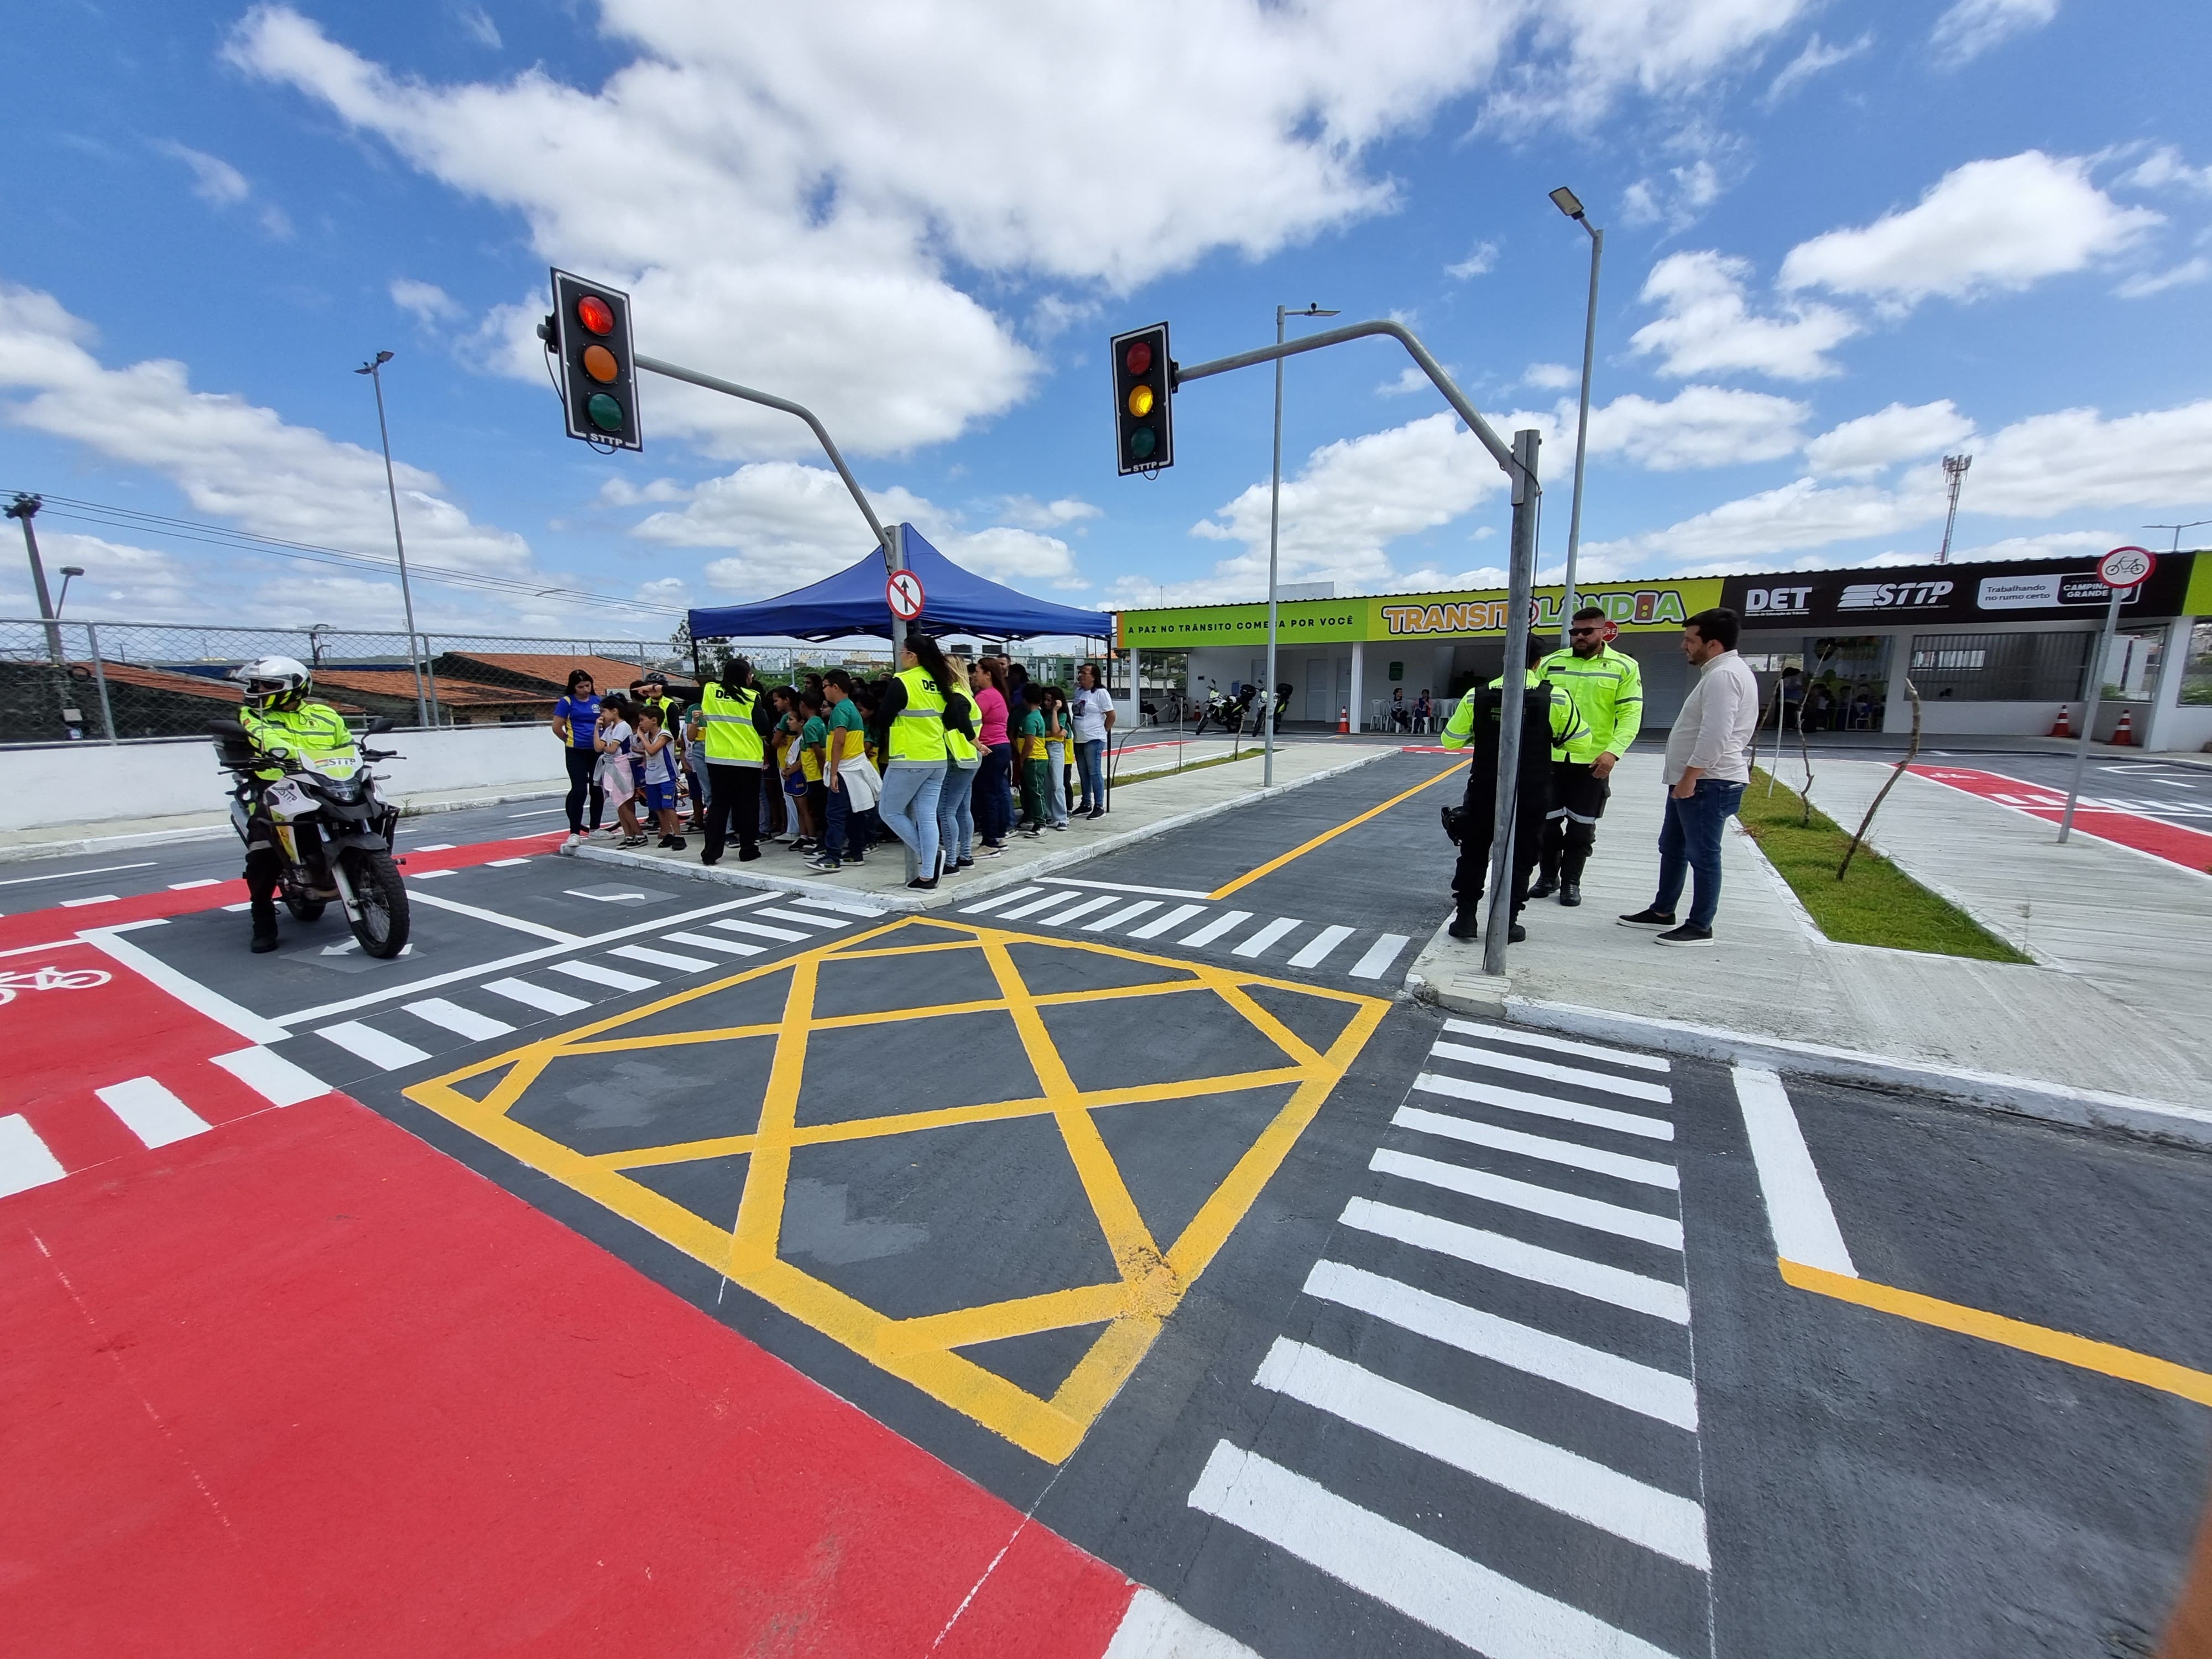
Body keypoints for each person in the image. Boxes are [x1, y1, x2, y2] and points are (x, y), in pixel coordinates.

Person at [1620, 607, 1760, 947]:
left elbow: (1716, 734)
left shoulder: (1724, 676)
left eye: (1689, 639)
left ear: (1712, 644)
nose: (1684, 646)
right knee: (1673, 846)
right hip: (1697, 781)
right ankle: (1663, 910)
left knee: (1703, 855)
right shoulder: (1721, 672)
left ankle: (1700, 926)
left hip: (1707, 782)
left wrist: (1690, 778)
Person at [1439, 638, 1586, 944]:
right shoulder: (1556, 698)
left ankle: (1466, 918)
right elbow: (1581, 742)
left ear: (1505, 661)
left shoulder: (1476, 696)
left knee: (1474, 852)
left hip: (1484, 788)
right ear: (1537, 663)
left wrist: (1479, 734)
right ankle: (1507, 923)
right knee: (1522, 856)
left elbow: (1450, 740)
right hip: (1532, 790)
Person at [228, 655, 361, 953]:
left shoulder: (327, 715)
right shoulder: (254, 714)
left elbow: (347, 744)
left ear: (295, 686)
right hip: (278, 784)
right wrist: (286, 754)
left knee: (377, 810)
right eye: (256, 683)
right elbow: (264, 739)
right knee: (262, 852)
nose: (258, 689)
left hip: (328, 782)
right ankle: (262, 916)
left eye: (267, 684)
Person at [1528, 606, 1645, 909]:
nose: (1579, 637)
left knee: (1581, 828)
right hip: (1550, 760)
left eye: (1586, 631)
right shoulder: (1552, 664)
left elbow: (1631, 714)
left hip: (1593, 763)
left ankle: (1571, 883)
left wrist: (1614, 752)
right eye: (1574, 632)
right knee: (1547, 825)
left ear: (1603, 630)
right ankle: (1547, 877)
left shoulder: (1624, 666)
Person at [870, 635, 954, 888]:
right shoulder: (940, 682)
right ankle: (928, 876)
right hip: (937, 757)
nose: (900, 655)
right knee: (927, 815)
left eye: (902, 651)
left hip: (909, 757)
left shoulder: (903, 681)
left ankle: (930, 857)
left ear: (913, 656)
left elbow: (883, 717)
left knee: (890, 811)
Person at [688, 655, 775, 865]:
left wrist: (662, 690)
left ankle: (711, 853)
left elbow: (688, 692)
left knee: (719, 806)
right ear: (745, 676)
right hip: (746, 760)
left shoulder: (710, 691)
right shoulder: (751, 697)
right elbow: (763, 727)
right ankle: (748, 849)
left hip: (718, 759)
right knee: (748, 805)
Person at [811, 670, 872, 873]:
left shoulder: (840, 711)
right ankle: (855, 853)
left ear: (835, 687)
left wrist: (834, 773)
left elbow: (838, 742)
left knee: (835, 814)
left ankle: (832, 858)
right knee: (854, 812)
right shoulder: (851, 708)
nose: (823, 690)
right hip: (854, 767)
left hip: (845, 768)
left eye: (825, 686)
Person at [935, 656, 983, 873]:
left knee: (946, 811)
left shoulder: (955, 697)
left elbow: (962, 723)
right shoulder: (967, 695)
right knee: (963, 810)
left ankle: (951, 862)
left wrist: (976, 742)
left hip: (958, 758)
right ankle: (966, 857)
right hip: (969, 758)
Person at [551, 668, 603, 852]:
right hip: (576, 752)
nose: (585, 690)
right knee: (580, 789)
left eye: (588, 686)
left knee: (597, 789)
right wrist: (570, 741)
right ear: (573, 687)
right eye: (581, 687)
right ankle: (574, 832)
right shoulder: (567, 702)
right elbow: (557, 727)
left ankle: (595, 828)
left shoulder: (598, 701)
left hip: (597, 751)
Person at [969, 658, 1013, 855]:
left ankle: (990, 842)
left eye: (978, 671)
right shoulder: (997, 694)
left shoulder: (985, 696)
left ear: (988, 674)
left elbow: (970, 722)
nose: (974, 675)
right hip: (1000, 747)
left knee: (987, 795)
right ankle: (998, 837)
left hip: (990, 748)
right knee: (994, 793)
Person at [634, 702, 685, 851]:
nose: (640, 724)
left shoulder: (665, 734)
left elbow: (652, 750)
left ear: (654, 720)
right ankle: (667, 832)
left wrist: (641, 736)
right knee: (658, 807)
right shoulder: (647, 736)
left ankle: (678, 835)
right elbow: (639, 749)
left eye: (643, 720)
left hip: (666, 776)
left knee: (669, 806)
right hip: (652, 776)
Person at [596, 697, 644, 847]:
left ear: (615, 711)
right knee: (619, 803)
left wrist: (605, 746)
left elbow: (611, 749)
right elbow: (598, 747)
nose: (602, 715)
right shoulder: (609, 729)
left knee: (624, 803)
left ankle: (640, 835)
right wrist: (596, 729)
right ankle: (629, 835)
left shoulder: (623, 727)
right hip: (611, 766)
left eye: (604, 711)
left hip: (621, 766)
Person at [1070, 662, 1113, 818]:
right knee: (1083, 772)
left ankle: (1099, 805)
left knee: (1094, 772)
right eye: (1080, 672)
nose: (1081, 675)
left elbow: (1111, 716)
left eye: (1084, 673)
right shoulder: (1079, 692)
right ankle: (1086, 802)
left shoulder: (1101, 693)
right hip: (1079, 739)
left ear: (1094, 677)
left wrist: (1103, 730)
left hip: (1094, 738)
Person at [1013, 682, 1050, 837]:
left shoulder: (1030, 719)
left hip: (1034, 758)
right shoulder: (1037, 716)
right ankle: (1034, 819)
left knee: (1036, 792)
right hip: (1036, 757)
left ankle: (1041, 823)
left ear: (1024, 700)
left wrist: (1021, 759)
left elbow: (1029, 743)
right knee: (1033, 791)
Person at [1041, 685, 1071, 830]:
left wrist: (1055, 712)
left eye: (1049, 700)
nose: (1046, 703)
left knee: (1058, 784)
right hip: (1043, 747)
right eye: (1045, 700)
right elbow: (1041, 733)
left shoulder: (1061, 714)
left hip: (1055, 748)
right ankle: (1049, 814)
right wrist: (1054, 733)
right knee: (1046, 784)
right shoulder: (1041, 714)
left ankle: (1061, 818)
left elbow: (1055, 731)